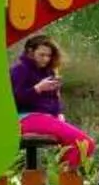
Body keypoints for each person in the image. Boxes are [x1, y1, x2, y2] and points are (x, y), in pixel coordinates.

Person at [10, 33, 94, 168]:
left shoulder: (48, 72)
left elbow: (54, 99)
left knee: (84, 145)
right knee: (84, 143)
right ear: (30, 52)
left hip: (47, 117)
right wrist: (37, 88)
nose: (45, 59)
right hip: (24, 118)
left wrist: (59, 113)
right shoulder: (20, 69)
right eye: (42, 55)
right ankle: (60, 180)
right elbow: (13, 100)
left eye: (48, 56)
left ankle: (58, 178)